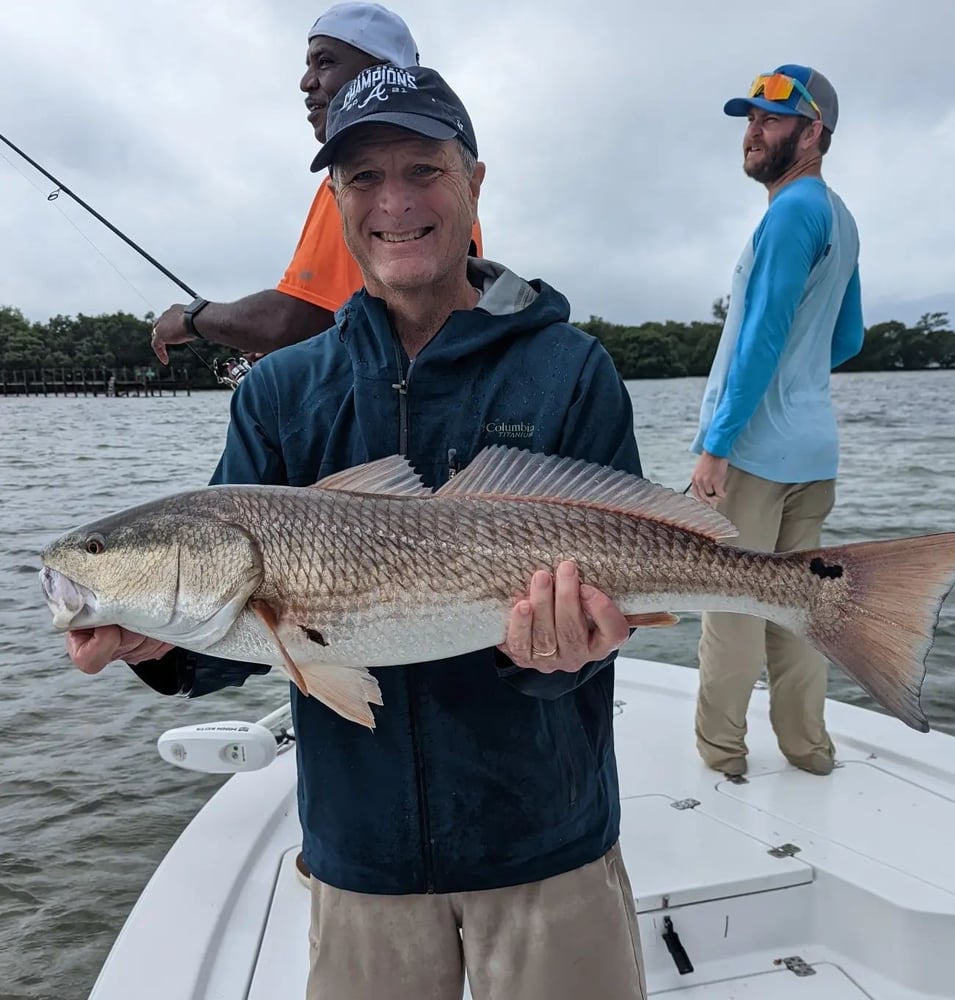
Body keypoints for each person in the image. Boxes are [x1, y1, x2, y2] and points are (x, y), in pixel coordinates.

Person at [68, 67, 647, 1000]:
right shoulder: (279, 394)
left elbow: (610, 596)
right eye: (362, 179)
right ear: (334, 198)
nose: (395, 203)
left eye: (422, 167)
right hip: (361, 857)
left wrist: (568, 650)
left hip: (545, 839)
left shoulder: (567, 369)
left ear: (474, 181)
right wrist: (161, 645)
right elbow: (247, 632)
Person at [689, 65, 864, 778]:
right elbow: (846, 336)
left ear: (812, 131)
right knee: (801, 615)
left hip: (753, 454)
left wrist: (716, 444)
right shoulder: (839, 217)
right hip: (813, 452)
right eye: (749, 117)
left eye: (769, 118)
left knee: (728, 610)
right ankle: (807, 750)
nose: (751, 131)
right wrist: (800, 382)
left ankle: (721, 755)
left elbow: (760, 334)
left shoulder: (790, 212)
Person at [150, 2, 482, 364]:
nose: (306, 81)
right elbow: (329, 320)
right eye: (364, 175)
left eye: (324, 62)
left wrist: (191, 317)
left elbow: (293, 320)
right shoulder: (445, 185)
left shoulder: (363, 196)